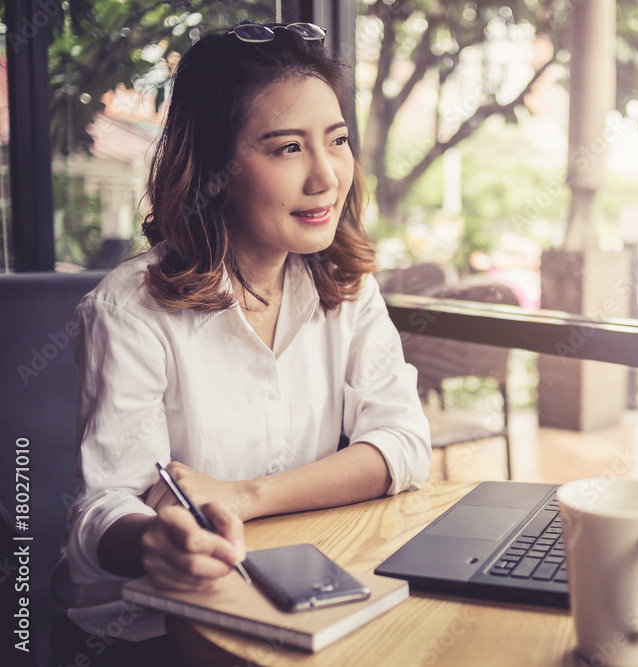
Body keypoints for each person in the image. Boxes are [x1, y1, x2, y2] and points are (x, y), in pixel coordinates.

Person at [50, 21, 431, 663]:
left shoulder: (345, 287)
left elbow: (404, 444)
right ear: (213, 169)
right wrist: (156, 541)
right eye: (286, 148)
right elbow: (104, 505)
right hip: (145, 632)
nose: (326, 178)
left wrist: (244, 495)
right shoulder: (130, 308)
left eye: (336, 141)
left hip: (295, 598)